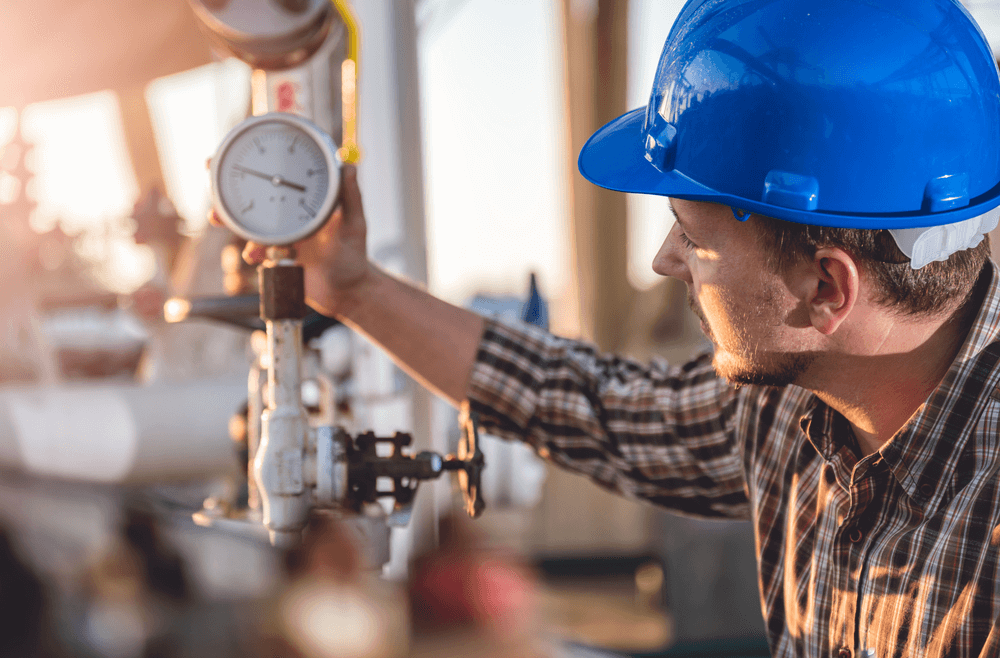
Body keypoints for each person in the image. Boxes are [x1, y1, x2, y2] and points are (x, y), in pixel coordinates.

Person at [235, 0, 1000, 655]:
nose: (668, 260)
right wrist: (354, 289)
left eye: (692, 235)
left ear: (828, 288)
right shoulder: (795, 404)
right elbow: (596, 407)